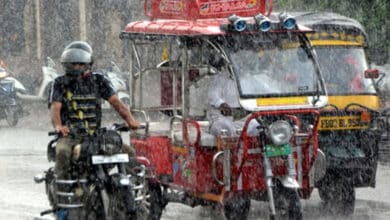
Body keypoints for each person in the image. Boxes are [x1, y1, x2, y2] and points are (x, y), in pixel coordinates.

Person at [48, 41, 140, 180]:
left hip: (96, 135)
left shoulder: (99, 80)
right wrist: (59, 126)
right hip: (70, 136)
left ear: (88, 64)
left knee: (128, 153)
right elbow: (55, 108)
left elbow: (117, 103)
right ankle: (63, 189)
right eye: (73, 63)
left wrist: (131, 121)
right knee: (63, 153)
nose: (77, 67)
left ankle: (134, 188)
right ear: (66, 63)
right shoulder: (59, 83)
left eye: (80, 63)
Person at [206, 52, 258, 137]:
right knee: (224, 127)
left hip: (243, 119)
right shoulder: (220, 78)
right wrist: (221, 104)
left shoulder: (249, 79)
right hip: (222, 118)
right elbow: (212, 94)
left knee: (257, 126)